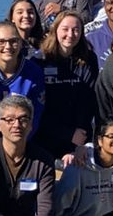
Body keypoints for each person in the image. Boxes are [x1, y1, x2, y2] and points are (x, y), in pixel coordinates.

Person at [34, 11, 99, 159]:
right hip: (46, 137)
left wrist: (80, 137)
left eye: (76, 30)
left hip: (79, 137)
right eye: (65, 29)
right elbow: (37, 108)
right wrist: (67, 134)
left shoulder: (88, 59)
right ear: (55, 30)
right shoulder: (39, 60)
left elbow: (88, 101)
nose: (70, 34)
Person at [0, 21, 46, 143]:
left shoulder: (33, 72)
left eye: (13, 41)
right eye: (1, 42)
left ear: (20, 43)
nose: (8, 46)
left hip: (21, 143)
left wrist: (18, 144)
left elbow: (35, 117)